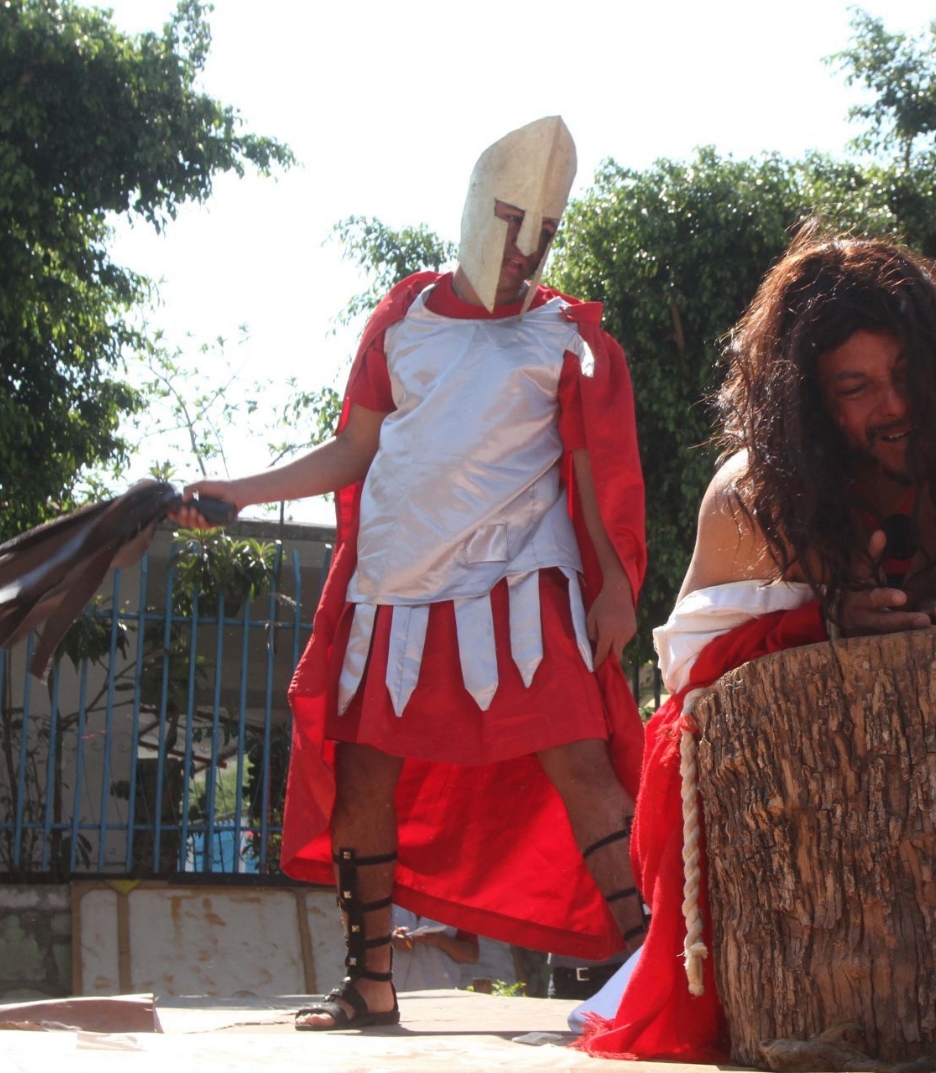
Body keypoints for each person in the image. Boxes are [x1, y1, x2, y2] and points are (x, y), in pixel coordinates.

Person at [172, 116, 648, 1030]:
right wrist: (237, 487)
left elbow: (597, 475)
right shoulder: (403, 319)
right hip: (394, 586)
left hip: (519, 581)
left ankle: (646, 966)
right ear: (476, 211)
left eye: (543, 227)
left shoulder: (565, 335)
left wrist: (616, 584)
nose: (525, 245)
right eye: (511, 219)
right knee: (364, 779)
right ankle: (370, 985)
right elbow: (354, 448)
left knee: (581, 761)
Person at [576, 227, 936, 1062]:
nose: (894, 405)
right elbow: (692, 704)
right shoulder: (753, 497)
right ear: (813, 404)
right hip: (804, 850)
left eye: (907, 374)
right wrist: (814, 630)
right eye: (856, 387)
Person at [389, 906, 479, 992]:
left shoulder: (456, 905)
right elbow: (375, 938)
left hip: (437, 996)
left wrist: (441, 940)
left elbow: (471, 955)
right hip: (391, 993)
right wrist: (392, 939)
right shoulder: (389, 896)